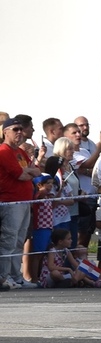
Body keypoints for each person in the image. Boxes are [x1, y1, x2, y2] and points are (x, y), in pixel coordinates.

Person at [0, 117, 40, 290]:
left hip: (24, 201)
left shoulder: (20, 152)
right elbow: (22, 175)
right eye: (15, 129)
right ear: (5, 131)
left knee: (18, 241)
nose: (19, 132)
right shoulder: (4, 151)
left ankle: (17, 276)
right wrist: (28, 172)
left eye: (20, 129)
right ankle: (4, 277)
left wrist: (28, 171)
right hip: (11, 202)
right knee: (9, 241)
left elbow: (36, 171)